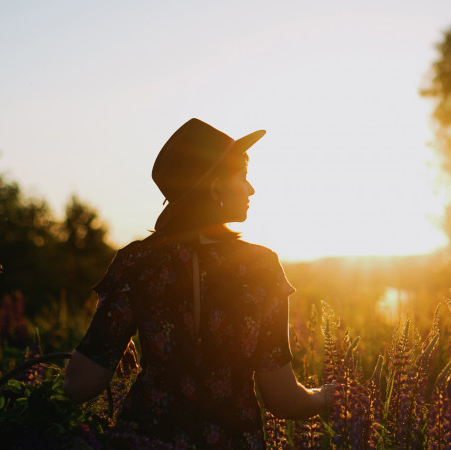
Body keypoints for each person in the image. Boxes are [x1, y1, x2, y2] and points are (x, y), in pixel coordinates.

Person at [64, 118, 333, 448]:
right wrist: (324, 398)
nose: (251, 189)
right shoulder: (260, 266)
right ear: (217, 187)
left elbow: (80, 385)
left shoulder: (136, 262)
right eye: (243, 177)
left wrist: (109, 340)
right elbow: (283, 399)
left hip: (145, 440)